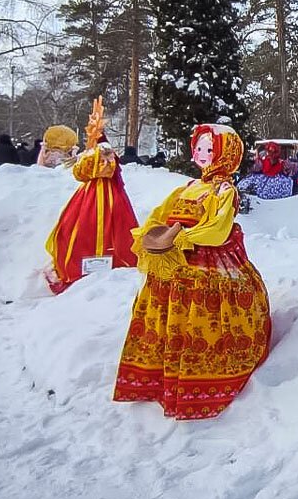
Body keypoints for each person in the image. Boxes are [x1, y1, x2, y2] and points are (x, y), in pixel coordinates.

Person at [113, 123, 272, 420]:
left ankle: (200, 378)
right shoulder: (187, 187)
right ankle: (161, 373)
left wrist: (186, 238)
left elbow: (218, 229)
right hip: (174, 260)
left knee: (201, 318)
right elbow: (161, 213)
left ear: (227, 155)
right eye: (199, 148)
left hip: (209, 262)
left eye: (210, 149)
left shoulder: (224, 190)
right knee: (169, 315)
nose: (201, 154)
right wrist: (151, 233)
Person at [45, 99, 140, 294]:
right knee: (78, 228)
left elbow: (101, 170)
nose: (89, 131)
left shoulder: (103, 150)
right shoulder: (92, 151)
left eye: (92, 128)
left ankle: (104, 262)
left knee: (108, 228)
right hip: (91, 193)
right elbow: (81, 173)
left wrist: (90, 163)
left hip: (104, 194)